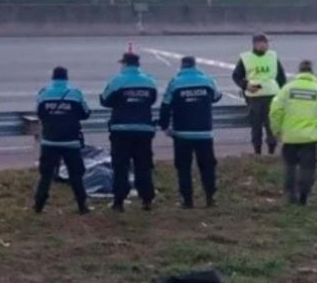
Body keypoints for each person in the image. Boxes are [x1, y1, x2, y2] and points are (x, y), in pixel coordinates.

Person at [269, 60, 317, 206]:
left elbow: (275, 111)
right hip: (310, 138)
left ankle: (290, 195)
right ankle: (304, 196)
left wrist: (276, 130)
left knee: (290, 166)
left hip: (290, 137)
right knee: (308, 168)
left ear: (299, 72)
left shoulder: (287, 89)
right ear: (312, 73)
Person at [159, 56, 222, 209]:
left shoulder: (175, 82)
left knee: (183, 168)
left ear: (182, 66)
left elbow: (166, 105)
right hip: (204, 132)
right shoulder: (207, 80)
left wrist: (164, 126)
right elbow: (217, 96)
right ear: (195, 65)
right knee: (207, 166)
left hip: (182, 133)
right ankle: (210, 198)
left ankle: (187, 201)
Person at [100, 52, 158, 211]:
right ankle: (147, 199)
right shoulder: (149, 81)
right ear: (138, 65)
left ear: (124, 64)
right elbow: (153, 99)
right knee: (143, 166)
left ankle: (118, 201)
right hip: (144, 130)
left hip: (121, 131)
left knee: (120, 167)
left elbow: (104, 100)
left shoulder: (117, 81)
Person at [33, 67, 91, 215]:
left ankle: (38, 205)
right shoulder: (75, 94)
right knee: (75, 174)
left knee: (46, 175)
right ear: (66, 78)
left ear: (53, 78)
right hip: (71, 142)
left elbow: (39, 113)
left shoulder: (43, 93)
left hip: (49, 141)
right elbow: (85, 114)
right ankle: (82, 205)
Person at [232, 34, 287, 155]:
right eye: (264, 43)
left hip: (272, 96)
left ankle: (271, 151)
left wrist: (282, 94)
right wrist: (245, 85)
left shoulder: (272, 56)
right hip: (254, 97)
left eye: (267, 43)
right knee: (256, 127)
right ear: (256, 44)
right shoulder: (246, 58)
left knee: (271, 126)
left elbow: (281, 77)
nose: (267, 45)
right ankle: (257, 152)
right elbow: (236, 76)